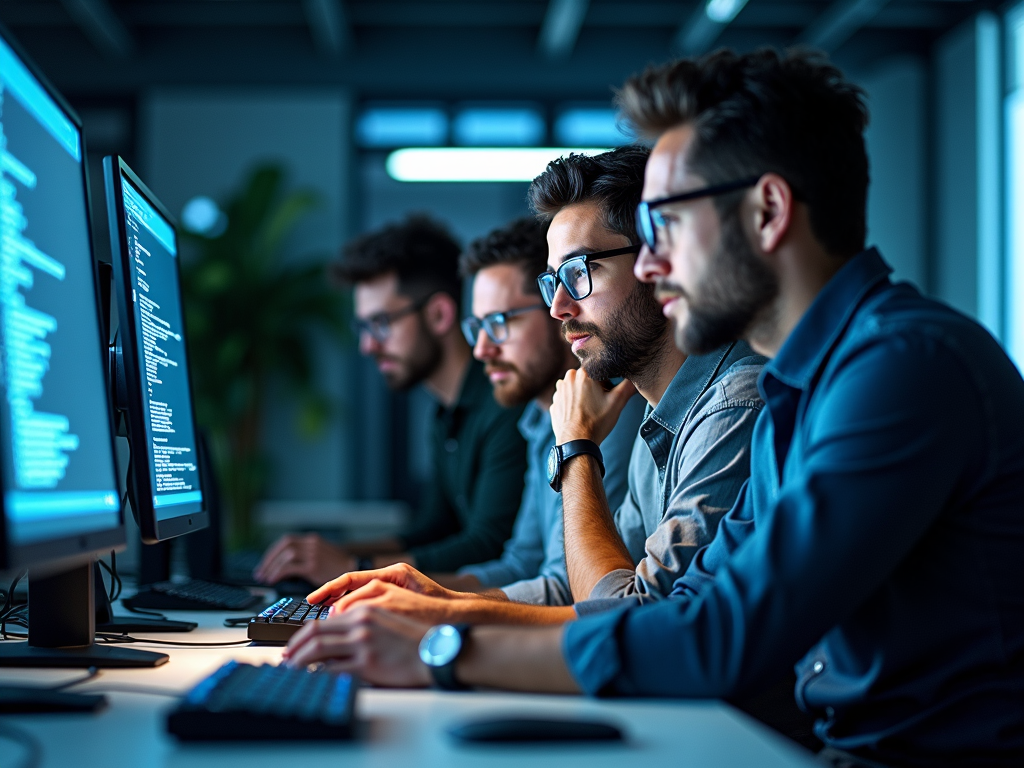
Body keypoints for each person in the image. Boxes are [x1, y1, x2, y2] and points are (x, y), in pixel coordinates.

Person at [284, 49, 1024, 767]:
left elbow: (719, 638)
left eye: (665, 223)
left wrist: (446, 647)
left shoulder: (900, 369)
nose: (649, 262)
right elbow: (676, 615)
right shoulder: (799, 388)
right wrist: (444, 617)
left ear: (767, 212)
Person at [296, 146, 765, 626]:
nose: (558, 306)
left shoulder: (732, 406)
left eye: (582, 272)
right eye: (553, 281)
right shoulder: (656, 416)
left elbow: (628, 620)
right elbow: (570, 585)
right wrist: (437, 601)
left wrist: (576, 449)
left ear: (657, 265)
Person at [254, 215, 528, 586]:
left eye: (381, 323)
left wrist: (356, 565)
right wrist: (326, 555)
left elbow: (487, 544)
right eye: (364, 327)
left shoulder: (505, 402)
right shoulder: (445, 413)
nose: (368, 345)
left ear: (439, 314)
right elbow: (433, 528)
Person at [435, 216, 644, 604]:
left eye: (500, 322)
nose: (482, 350)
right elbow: (521, 564)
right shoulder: (539, 420)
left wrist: (437, 607)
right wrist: (421, 591)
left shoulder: (612, 412)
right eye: (477, 327)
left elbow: (573, 590)